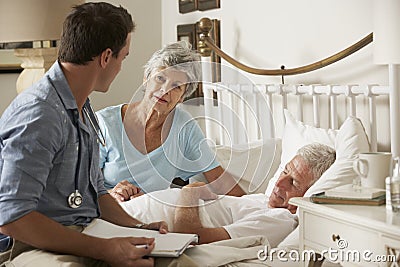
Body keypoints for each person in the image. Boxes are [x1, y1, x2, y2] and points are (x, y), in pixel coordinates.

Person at [0, 3, 167, 267]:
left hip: (84, 234)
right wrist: (104, 249)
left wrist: (141, 227)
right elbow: (13, 218)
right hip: (29, 246)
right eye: (123, 58)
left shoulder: (82, 107)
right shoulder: (40, 115)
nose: (121, 67)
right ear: (105, 57)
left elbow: (96, 192)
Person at [96, 41, 245, 202]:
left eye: (176, 86)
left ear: (182, 97)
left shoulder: (185, 128)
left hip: (152, 214)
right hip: (106, 209)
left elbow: (218, 178)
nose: (165, 90)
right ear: (146, 78)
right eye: (160, 78)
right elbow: (80, 186)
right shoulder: (105, 123)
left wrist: (255, 208)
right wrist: (113, 193)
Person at [120, 143, 336, 248]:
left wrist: (190, 194)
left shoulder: (281, 220)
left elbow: (190, 237)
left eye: (294, 182)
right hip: (133, 212)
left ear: (311, 194)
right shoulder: (259, 200)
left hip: (144, 225)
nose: (279, 183)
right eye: (284, 171)